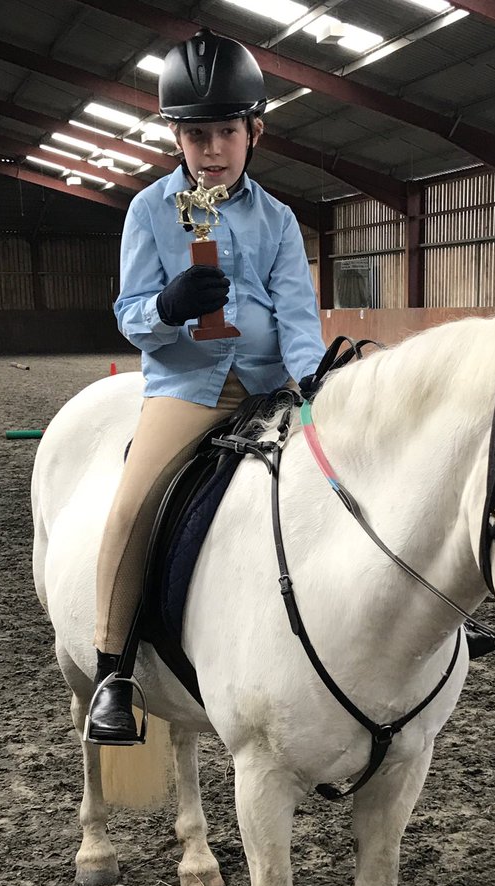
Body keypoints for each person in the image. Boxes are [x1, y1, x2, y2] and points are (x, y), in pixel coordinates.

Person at [86, 28, 326, 743]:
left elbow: (296, 311)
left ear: (254, 131)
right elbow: (130, 315)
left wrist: (312, 384)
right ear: (177, 139)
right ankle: (114, 672)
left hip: (270, 387)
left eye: (225, 131)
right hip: (188, 391)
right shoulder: (150, 211)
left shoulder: (278, 219)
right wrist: (167, 308)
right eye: (196, 135)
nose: (212, 149)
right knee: (132, 507)